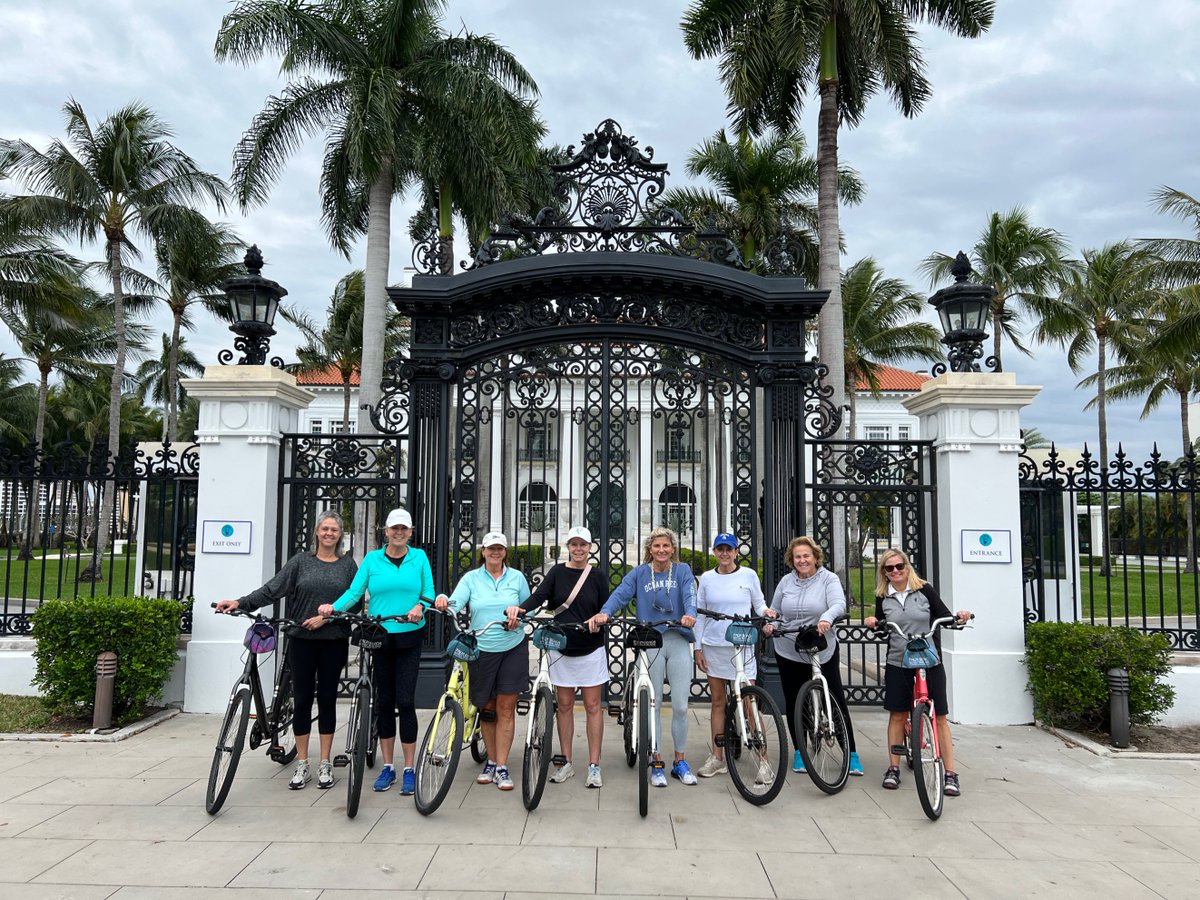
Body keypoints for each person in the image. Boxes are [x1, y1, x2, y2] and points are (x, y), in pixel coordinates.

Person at [216, 510, 357, 791]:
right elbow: (272, 590)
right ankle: (303, 762)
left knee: (328, 699)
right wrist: (241, 602)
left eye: (334, 530)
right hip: (301, 639)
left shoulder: (348, 566)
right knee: (302, 698)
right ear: (317, 532)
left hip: (333, 640)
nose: (329, 534)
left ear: (340, 535)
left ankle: (325, 761)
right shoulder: (300, 562)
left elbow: (355, 602)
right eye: (325, 529)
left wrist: (327, 618)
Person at [317, 508, 433, 797]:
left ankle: (409, 768)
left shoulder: (419, 557)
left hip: (409, 635)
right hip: (380, 636)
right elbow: (355, 594)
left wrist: (421, 606)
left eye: (403, 529)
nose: (399, 532)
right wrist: (333, 609)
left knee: (406, 702)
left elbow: (428, 592)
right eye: (394, 528)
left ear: (410, 531)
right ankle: (388, 766)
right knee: (384, 702)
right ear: (386, 530)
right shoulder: (372, 559)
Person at [589, 526, 699, 787]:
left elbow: (689, 594)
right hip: (651, 641)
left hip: (678, 639)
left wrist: (690, 613)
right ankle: (656, 759)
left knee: (681, 706)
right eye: (656, 546)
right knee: (654, 704)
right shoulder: (639, 573)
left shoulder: (682, 571)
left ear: (673, 549)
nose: (661, 550)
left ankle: (680, 761)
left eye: (666, 546)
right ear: (650, 549)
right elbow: (620, 594)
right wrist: (605, 612)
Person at [865, 548, 972, 797]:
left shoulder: (924, 590)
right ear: (884, 572)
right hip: (898, 661)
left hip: (928, 659)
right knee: (898, 714)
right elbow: (882, 629)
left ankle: (951, 773)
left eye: (899, 566)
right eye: (889, 568)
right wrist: (874, 622)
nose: (895, 571)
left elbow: (945, 617)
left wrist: (960, 617)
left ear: (907, 566)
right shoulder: (884, 596)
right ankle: (893, 767)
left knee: (941, 716)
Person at [513, 525, 610, 788]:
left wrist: (601, 618)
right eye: (574, 544)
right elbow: (540, 597)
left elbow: (606, 608)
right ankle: (566, 761)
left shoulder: (598, 576)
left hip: (590, 648)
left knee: (592, 707)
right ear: (568, 546)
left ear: (590, 548)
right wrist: (520, 609)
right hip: (561, 646)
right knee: (564, 707)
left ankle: (593, 765)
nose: (578, 549)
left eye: (583, 545)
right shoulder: (557, 572)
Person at [434, 531, 532, 791]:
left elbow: (529, 608)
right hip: (483, 647)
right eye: (491, 548)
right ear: (483, 552)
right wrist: (445, 602)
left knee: (506, 707)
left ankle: (501, 766)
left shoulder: (517, 577)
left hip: (512, 646)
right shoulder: (472, 578)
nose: (495, 553)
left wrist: (518, 614)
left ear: (505, 552)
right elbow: (456, 602)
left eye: (500, 548)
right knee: (487, 708)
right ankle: (490, 759)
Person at [769, 536, 863, 777]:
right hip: (789, 646)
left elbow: (839, 604)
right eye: (798, 556)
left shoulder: (828, 579)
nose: (802, 560)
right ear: (792, 559)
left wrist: (826, 618)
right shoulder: (786, 582)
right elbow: (776, 610)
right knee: (795, 702)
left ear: (815, 557)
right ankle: (800, 750)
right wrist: (771, 623)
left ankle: (851, 753)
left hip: (821, 646)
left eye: (806, 556)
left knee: (835, 699)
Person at [693, 532, 776, 778]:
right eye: (720, 549)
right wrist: (697, 647)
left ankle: (764, 760)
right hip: (715, 645)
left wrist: (766, 613)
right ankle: (717, 756)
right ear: (715, 551)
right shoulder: (707, 578)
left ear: (736, 551)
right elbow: (701, 614)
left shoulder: (748, 575)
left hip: (741, 644)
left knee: (749, 701)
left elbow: (758, 603)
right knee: (718, 702)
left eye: (729, 549)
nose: (725, 553)